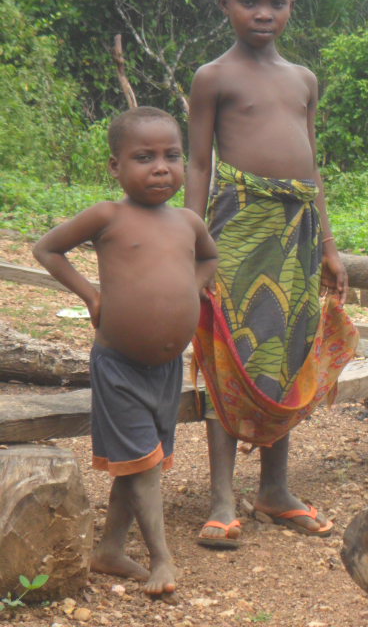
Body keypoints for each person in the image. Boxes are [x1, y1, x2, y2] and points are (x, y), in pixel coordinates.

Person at [185, 0, 357, 549]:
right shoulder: (213, 78)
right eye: (249, 1)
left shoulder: (303, 80)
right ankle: (222, 498)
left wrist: (330, 246)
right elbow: (198, 164)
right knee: (230, 350)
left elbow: (312, 169)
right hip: (238, 226)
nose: (263, 13)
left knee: (289, 350)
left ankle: (275, 488)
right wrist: (194, 240)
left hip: (299, 231)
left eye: (276, 2)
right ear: (224, 4)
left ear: (291, 5)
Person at [34, 107, 218, 596]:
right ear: (115, 166)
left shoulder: (188, 222)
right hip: (120, 366)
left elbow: (210, 257)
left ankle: (110, 549)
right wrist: (90, 296)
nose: (161, 168)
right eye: (144, 157)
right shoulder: (107, 216)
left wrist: (193, 288)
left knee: (140, 461)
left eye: (171, 156)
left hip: (166, 369)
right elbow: (47, 249)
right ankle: (162, 558)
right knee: (143, 463)